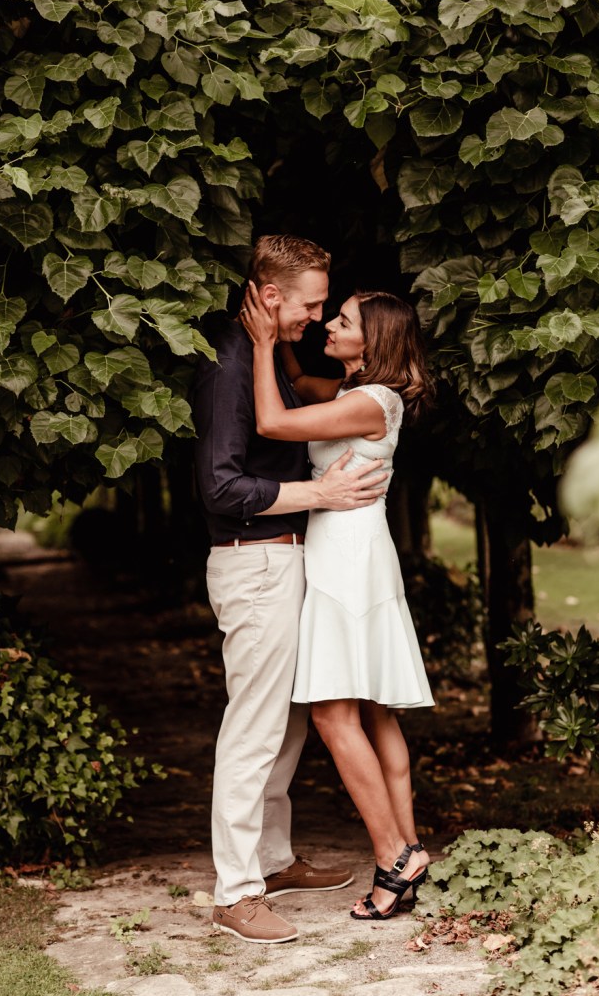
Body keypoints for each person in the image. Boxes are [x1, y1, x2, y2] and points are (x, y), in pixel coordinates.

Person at [191, 235, 389, 944]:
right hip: (254, 563)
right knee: (252, 727)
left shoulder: (270, 355)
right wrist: (319, 492)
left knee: (288, 721)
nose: (314, 316)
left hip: (284, 558)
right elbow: (218, 484)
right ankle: (236, 890)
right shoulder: (229, 363)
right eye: (308, 304)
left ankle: (271, 859)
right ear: (270, 297)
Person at [240, 282, 435, 921]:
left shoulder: (369, 403)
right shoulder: (357, 394)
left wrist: (264, 342)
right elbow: (300, 382)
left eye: (343, 321)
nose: (328, 325)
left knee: (333, 715)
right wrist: (282, 350)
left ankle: (393, 859)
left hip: (345, 560)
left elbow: (273, 419)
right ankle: (408, 849)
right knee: (377, 713)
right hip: (356, 552)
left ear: (370, 340)